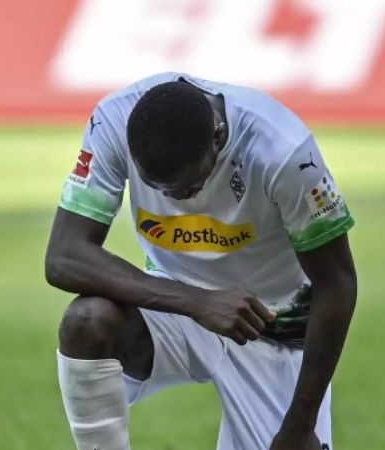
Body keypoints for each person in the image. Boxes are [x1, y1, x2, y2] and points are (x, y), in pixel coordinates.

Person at [45, 72, 357, 450]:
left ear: (218, 136)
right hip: (180, 305)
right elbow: (64, 255)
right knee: (87, 322)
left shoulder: (284, 152)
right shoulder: (113, 120)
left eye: (188, 187)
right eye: (159, 188)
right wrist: (196, 302)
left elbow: (336, 283)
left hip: (273, 323)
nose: (176, 199)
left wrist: (300, 425)